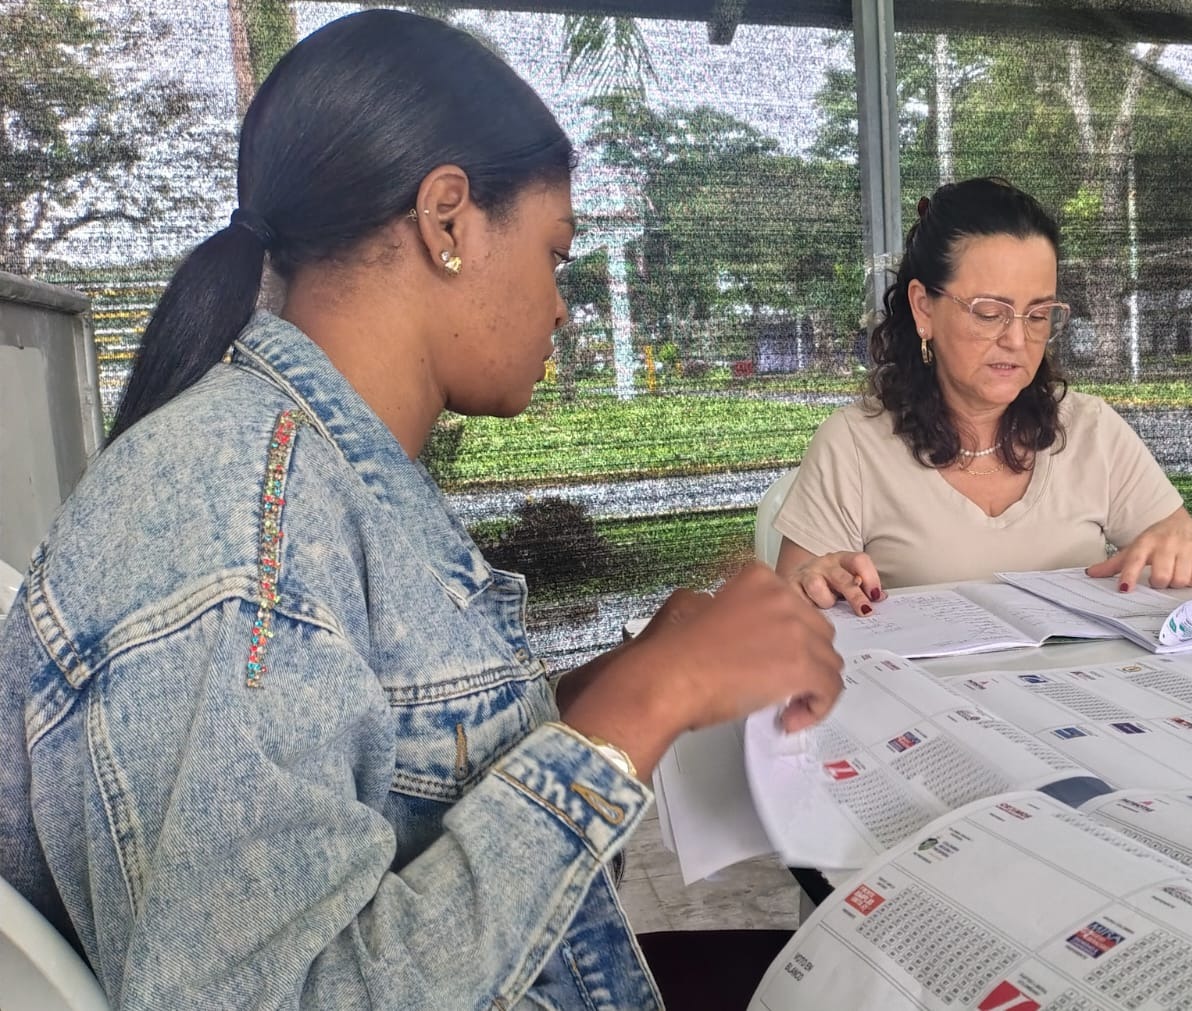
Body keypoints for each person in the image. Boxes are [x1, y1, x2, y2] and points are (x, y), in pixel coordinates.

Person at [0, 11, 842, 1009]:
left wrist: (628, 676)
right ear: (448, 220)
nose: (562, 306)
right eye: (555, 254)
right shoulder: (240, 535)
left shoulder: (311, 473)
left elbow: (397, 779)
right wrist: (641, 710)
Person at [775, 178, 1192, 615]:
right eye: (990, 312)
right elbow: (786, 618)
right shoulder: (854, 447)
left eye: (1038, 315)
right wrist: (810, 585)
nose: (1017, 340)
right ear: (924, 308)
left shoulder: (1091, 431)